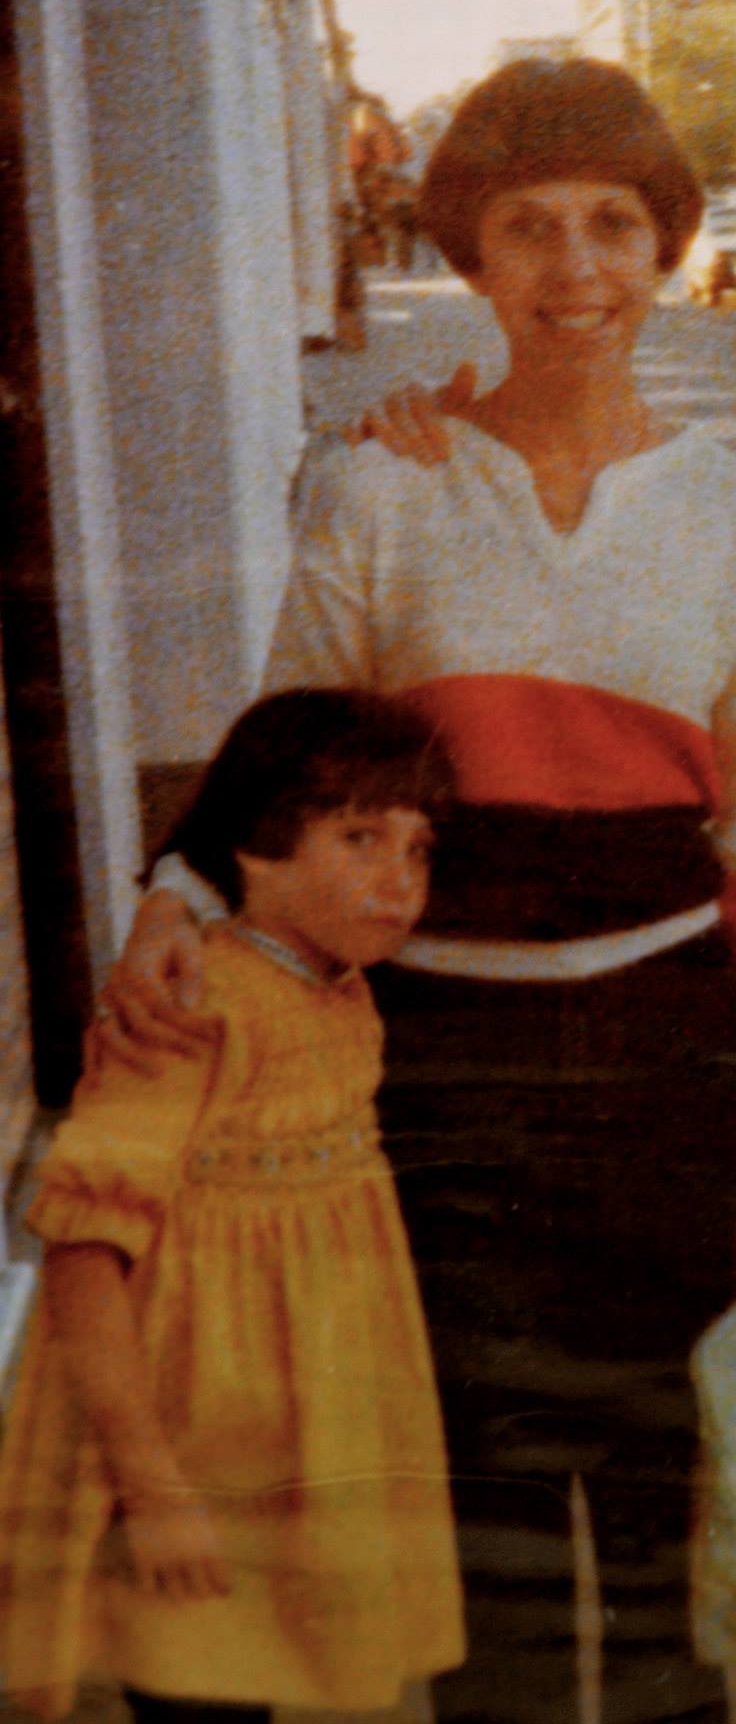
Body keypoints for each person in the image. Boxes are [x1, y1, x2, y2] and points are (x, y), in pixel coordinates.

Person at [100, 57, 736, 1724]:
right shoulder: (388, 483)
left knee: (661, 1531)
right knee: (478, 1526)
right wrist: (172, 893)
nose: (575, 265)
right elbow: (287, 757)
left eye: (613, 223)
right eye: (528, 227)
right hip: (435, 1076)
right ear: (470, 259)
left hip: (670, 1070)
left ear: (666, 246)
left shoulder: (734, 516)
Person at [0, 688, 464, 1724]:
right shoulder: (187, 1009)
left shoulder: (340, 990)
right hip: (186, 1437)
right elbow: (81, 1253)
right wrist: (154, 1490)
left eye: (418, 848)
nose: (400, 880)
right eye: (359, 838)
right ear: (253, 847)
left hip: (295, 1433)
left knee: (255, 1666)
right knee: (194, 1681)